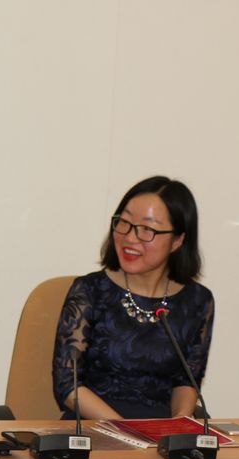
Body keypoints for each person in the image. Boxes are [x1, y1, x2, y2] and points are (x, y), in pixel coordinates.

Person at [53, 176, 215, 420]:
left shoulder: (198, 301)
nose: (129, 238)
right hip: (94, 425)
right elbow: (68, 384)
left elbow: (187, 380)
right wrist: (127, 430)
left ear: (177, 241)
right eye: (125, 223)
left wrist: (179, 423)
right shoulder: (90, 291)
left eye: (147, 229)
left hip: (160, 432)